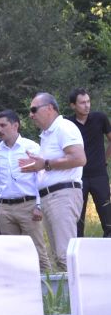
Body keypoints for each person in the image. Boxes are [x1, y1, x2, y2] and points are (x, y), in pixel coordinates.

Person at [20, 92, 86, 271]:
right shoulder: (47, 134)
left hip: (63, 195)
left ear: (49, 108)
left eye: (34, 110)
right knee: (59, 254)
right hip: (52, 197)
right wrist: (38, 166)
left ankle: (80, 297)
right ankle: (68, 297)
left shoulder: (64, 127)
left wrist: (45, 164)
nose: (31, 115)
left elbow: (79, 158)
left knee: (66, 255)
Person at [0, 109, 51, 272]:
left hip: (28, 206)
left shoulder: (32, 147)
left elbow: (41, 178)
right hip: (5, 208)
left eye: (3, 125)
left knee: (37, 251)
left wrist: (38, 205)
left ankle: (50, 292)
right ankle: (18, 291)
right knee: (12, 254)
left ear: (15, 125)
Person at [66, 88, 111, 237]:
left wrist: (104, 159)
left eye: (88, 101)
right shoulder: (67, 123)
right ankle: (79, 253)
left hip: (99, 175)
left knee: (107, 215)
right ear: (73, 105)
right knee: (78, 218)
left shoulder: (100, 118)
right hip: (77, 177)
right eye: (82, 102)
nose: (86, 105)